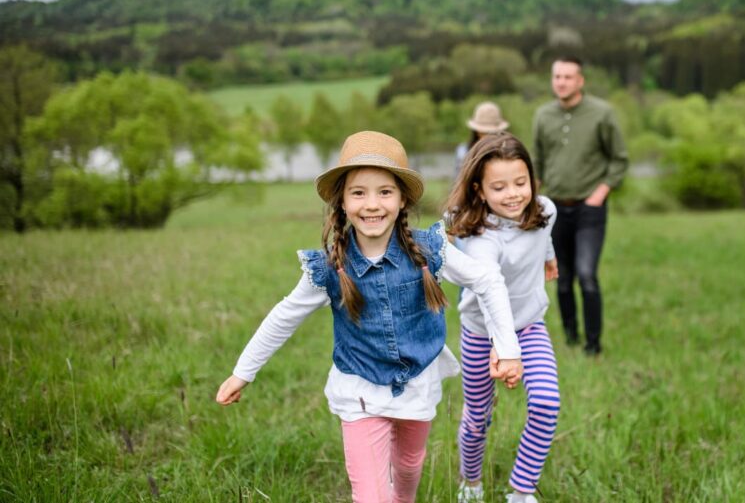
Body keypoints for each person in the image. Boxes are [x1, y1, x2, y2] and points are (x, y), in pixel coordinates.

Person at [216, 131, 524, 503]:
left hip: (417, 383)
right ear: (342, 202)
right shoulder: (330, 268)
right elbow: (285, 316)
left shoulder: (429, 251)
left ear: (402, 200)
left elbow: (488, 280)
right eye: (358, 192)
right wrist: (242, 371)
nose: (372, 204)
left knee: (409, 467)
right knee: (373, 495)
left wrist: (507, 348)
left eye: (384, 192)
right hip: (359, 389)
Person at [444, 133, 560, 503]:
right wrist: (500, 345)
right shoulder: (481, 241)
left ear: (532, 180)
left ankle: (521, 491)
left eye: (520, 183)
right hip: (482, 333)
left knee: (546, 403)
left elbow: (545, 232)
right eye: (499, 186)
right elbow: (490, 293)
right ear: (479, 190)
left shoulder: (545, 210)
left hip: (529, 325)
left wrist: (548, 257)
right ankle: (471, 480)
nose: (513, 194)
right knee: (478, 417)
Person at [532, 56, 629, 356]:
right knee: (562, 280)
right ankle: (572, 337)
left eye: (567, 77)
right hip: (554, 209)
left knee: (587, 275)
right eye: (556, 76)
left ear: (580, 81)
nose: (561, 82)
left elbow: (619, 159)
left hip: (590, 209)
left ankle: (593, 345)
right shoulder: (543, 115)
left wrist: (600, 193)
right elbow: (536, 164)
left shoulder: (602, 113)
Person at [454, 101, 509, 175]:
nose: (488, 137)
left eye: (492, 133)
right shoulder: (463, 152)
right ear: (476, 131)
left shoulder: (508, 151)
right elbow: (459, 180)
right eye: (484, 132)